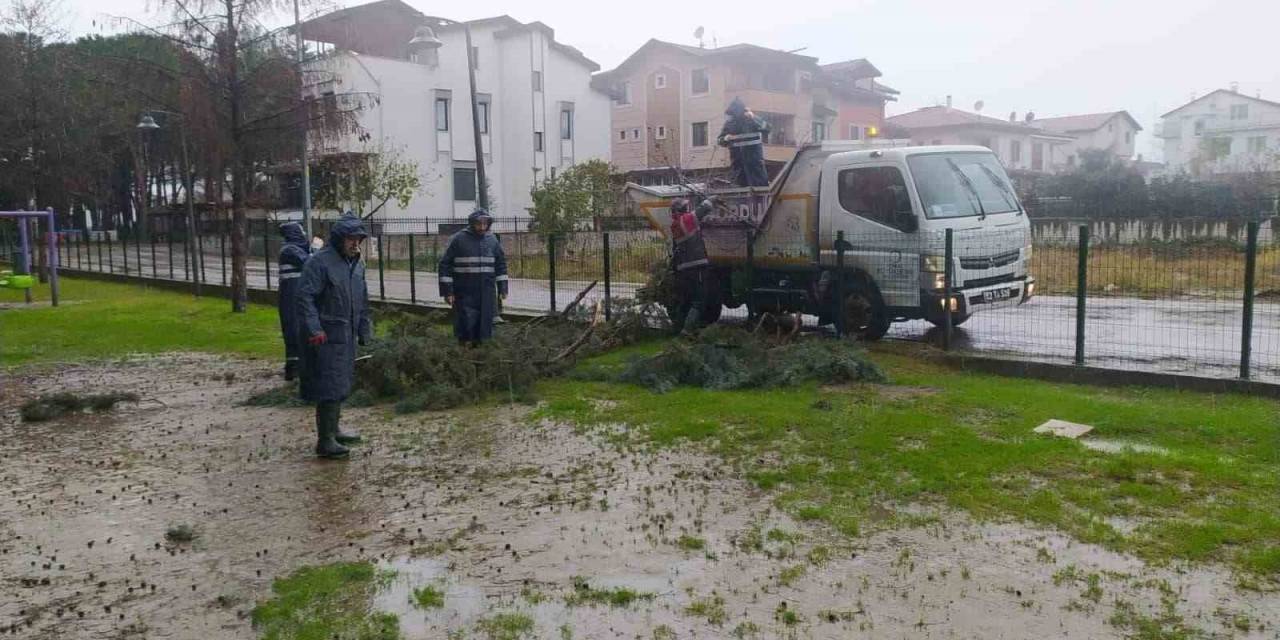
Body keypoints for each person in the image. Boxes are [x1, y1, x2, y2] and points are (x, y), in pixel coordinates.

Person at [296, 214, 371, 460]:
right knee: (329, 385)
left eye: (358, 238)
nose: (355, 243)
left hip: (346, 333)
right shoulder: (319, 263)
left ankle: (334, 428)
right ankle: (325, 440)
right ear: (340, 239)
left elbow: (363, 299)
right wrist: (314, 329)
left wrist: (363, 328)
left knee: (341, 382)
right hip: (327, 335)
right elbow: (305, 298)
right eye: (351, 238)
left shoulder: (357, 264)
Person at [439, 209, 508, 346]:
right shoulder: (458, 239)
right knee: (466, 324)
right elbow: (445, 265)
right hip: (464, 291)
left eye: (485, 224)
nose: (482, 227)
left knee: (485, 325)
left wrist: (503, 288)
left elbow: (500, 264)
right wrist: (448, 292)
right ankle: (464, 351)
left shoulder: (492, 240)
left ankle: (481, 352)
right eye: (479, 224)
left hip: (487, 292)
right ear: (472, 223)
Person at [669, 198, 712, 334]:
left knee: (686, 300)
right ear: (682, 210)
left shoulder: (676, 224)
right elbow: (702, 210)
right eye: (686, 207)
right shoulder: (685, 220)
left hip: (684, 269)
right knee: (699, 300)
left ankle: (677, 329)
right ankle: (687, 331)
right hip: (696, 266)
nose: (688, 208)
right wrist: (711, 200)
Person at [276, 221, 311, 381]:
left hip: (296, 294)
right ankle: (294, 369)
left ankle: (300, 366)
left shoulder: (293, 249)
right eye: (301, 231)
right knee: (293, 329)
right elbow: (309, 264)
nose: (304, 234)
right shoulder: (289, 250)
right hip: (291, 295)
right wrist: (316, 250)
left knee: (300, 328)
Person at [718, 97, 771, 188]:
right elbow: (719, 140)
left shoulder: (751, 120)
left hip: (754, 161)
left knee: (759, 186)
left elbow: (768, 128)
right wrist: (725, 138)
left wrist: (754, 117)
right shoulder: (730, 124)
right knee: (740, 187)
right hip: (738, 163)